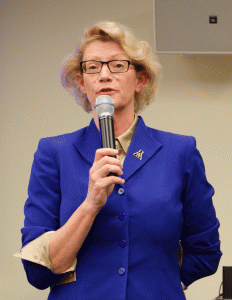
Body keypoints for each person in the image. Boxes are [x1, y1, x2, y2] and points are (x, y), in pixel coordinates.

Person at [14, 21, 222, 299]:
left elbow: (205, 250)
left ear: (140, 79)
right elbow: (38, 271)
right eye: (92, 67)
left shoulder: (180, 151)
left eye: (117, 65)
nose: (104, 75)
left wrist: (160, 280)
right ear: (82, 83)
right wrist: (90, 204)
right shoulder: (54, 153)